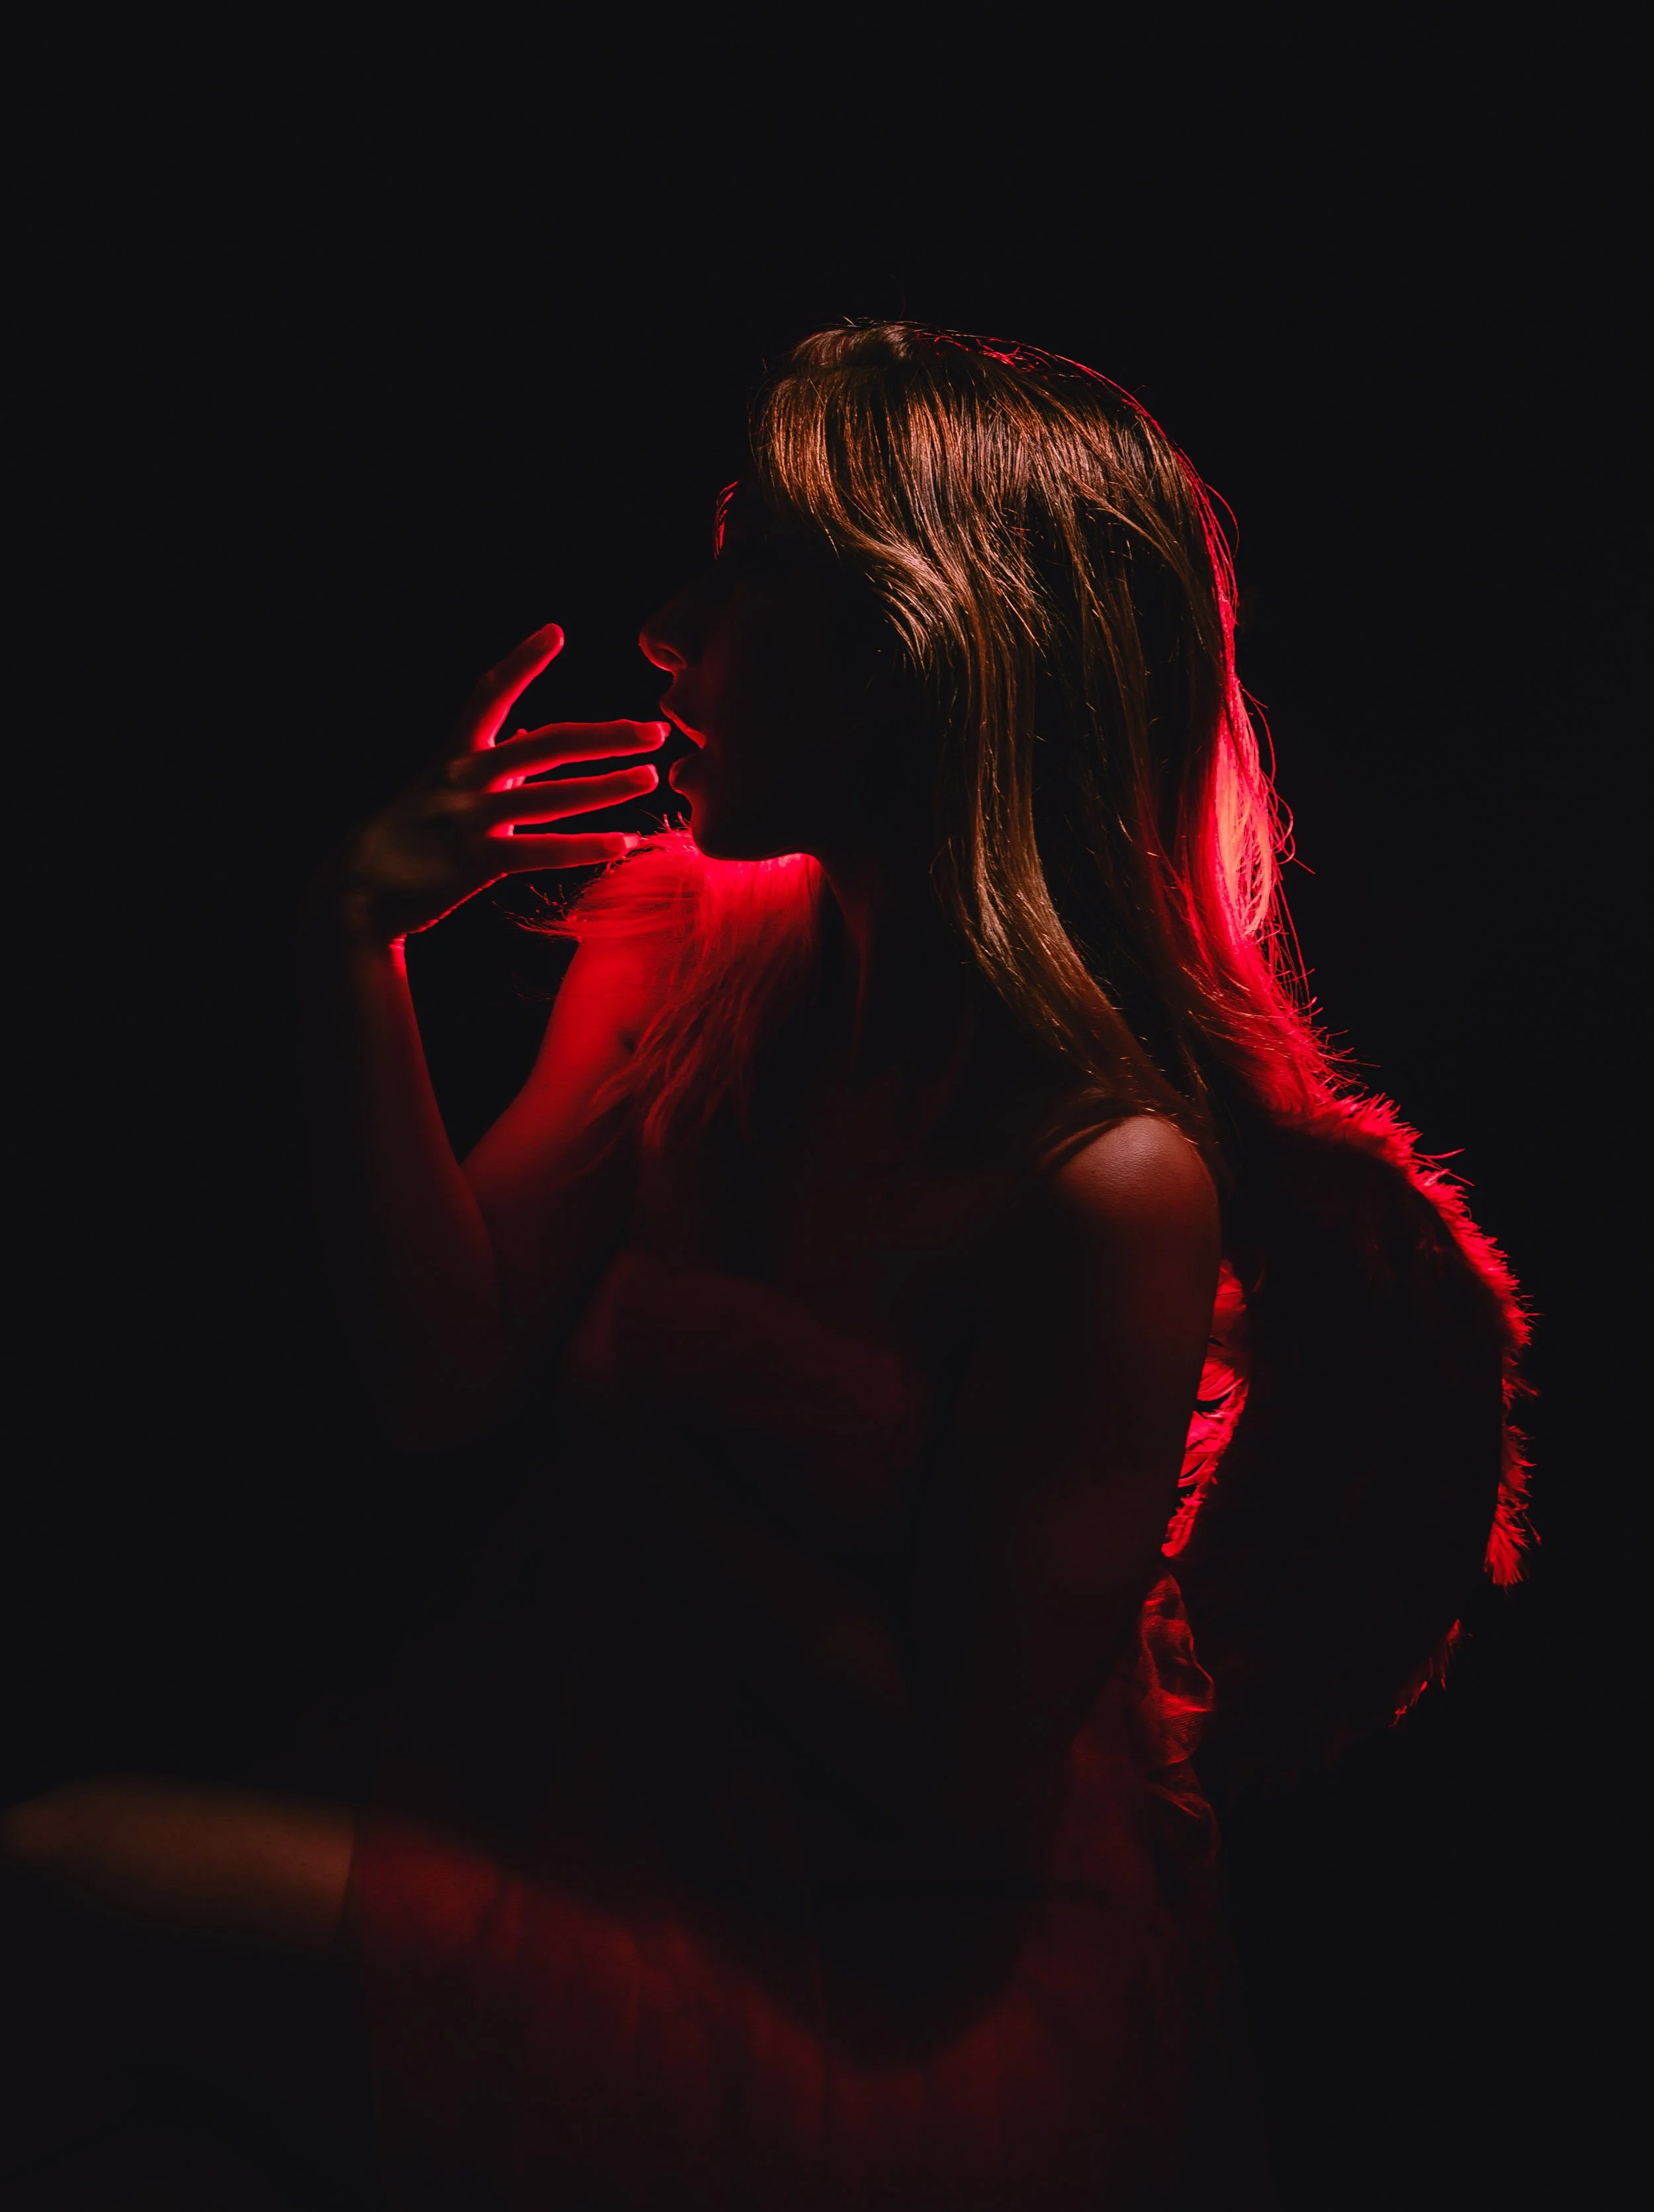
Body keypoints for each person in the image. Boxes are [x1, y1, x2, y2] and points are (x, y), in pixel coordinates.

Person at [0, 325, 1529, 2209]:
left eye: (740, 578)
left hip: (879, 1979)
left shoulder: (1103, 1180)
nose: (663, 629)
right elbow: (440, 1376)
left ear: (918, 653)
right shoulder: (685, 944)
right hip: (591, 1807)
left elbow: (955, 1780)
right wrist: (349, 949)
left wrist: (638, 1439)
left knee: (54, 1889)